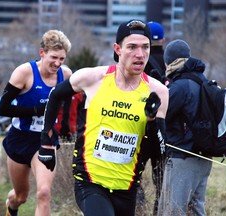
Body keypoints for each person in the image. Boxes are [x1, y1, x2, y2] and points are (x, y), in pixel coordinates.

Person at [38, 19, 169, 216]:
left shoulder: (158, 91)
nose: (140, 54)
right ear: (117, 49)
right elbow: (55, 95)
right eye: (132, 47)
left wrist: (151, 122)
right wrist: (46, 142)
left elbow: (159, 151)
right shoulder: (93, 78)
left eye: (145, 47)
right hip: (90, 180)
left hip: (127, 185)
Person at [0, 29, 72, 216]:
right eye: (53, 57)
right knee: (21, 197)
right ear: (42, 53)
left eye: (62, 59)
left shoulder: (66, 75)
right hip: (20, 139)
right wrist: (35, 111)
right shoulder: (24, 73)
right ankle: (11, 206)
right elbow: (3, 109)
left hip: (45, 140)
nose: (57, 63)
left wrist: (64, 126)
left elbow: (69, 101)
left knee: (44, 193)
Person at [158, 39, 213, 216]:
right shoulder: (201, 80)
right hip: (203, 157)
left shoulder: (180, 86)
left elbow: (161, 113)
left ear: (170, 61)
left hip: (183, 157)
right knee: (195, 210)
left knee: (172, 210)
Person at [137, 21, 167, 216]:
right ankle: (159, 211)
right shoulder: (170, 61)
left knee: (133, 175)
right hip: (163, 130)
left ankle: (136, 209)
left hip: (140, 127)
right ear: (163, 40)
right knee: (161, 180)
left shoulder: (139, 61)